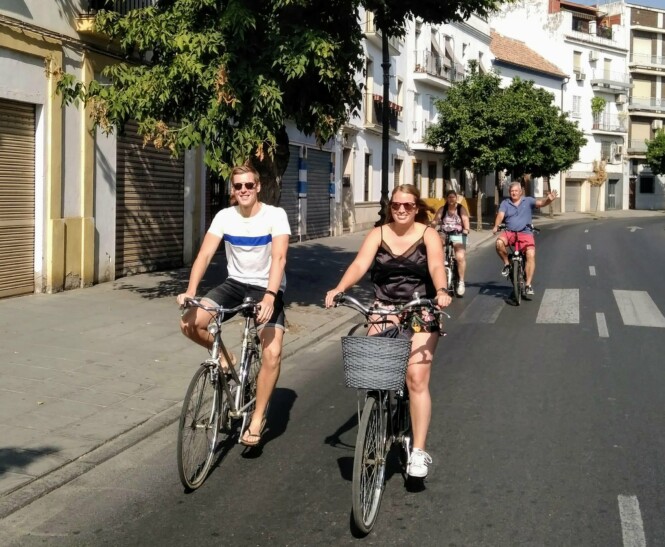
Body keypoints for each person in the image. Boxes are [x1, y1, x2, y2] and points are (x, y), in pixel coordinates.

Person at [324, 184, 452, 479]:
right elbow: (359, 264)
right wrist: (340, 288)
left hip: (421, 305)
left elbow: (435, 265)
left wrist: (442, 290)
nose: (401, 210)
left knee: (416, 377)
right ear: (389, 207)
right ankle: (378, 424)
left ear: (416, 206)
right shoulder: (378, 233)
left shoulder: (428, 234)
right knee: (375, 373)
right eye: (396, 205)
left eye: (407, 205)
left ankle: (418, 451)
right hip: (385, 306)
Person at [177, 164, 290, 447]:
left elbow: (279, 259)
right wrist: (191, 291)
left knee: (272, 353)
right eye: (238, 186)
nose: (243, 191)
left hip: (266, 287)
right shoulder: (225, 217)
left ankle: (257, 418)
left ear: (258, 186)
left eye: (248, 186)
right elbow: (204, 255)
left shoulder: (275, 215)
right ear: (232, 190)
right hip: (235, 284)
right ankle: (227, 360)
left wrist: (270, 296)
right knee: (189, 323)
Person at [491, 181, 558, 295]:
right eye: (512, 191)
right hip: (510, 232)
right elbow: (500, 215)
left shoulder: (528, 201)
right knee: (498, 243)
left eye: (516, 191)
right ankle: (507, 264)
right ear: (509, 192)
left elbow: (541, 203)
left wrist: (549, 199)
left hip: (525, 233)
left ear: (521, 192)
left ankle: (528, 284)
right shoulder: (505, 203)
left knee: (530, 255)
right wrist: (496, 226)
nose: (514, 193)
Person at [431, 190, 470, 296]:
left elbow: (466, 223)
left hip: (458, 234)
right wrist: (431, 227)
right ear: (446, 198)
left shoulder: (461, 209)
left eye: (453, 197)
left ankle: (461, 281)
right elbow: (435, 221)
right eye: (449, 197)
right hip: (444, 233)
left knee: (460, 257)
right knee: (437, 247)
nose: (451, 199)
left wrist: (466, 230)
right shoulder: (442, 209)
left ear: (456, 198)